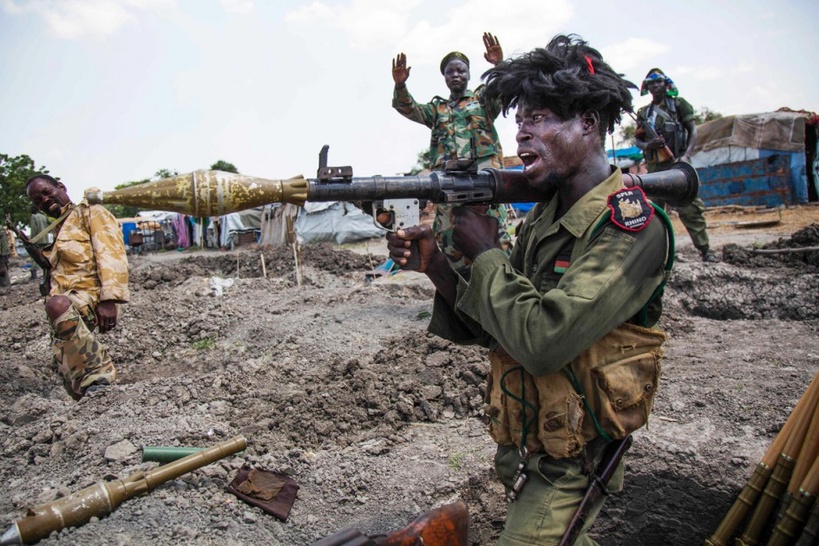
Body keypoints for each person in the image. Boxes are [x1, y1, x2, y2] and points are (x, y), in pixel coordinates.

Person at [386, 34, 672, 545]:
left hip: (575, 456)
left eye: (538, 118)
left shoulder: (630, 226)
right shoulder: (544, 218)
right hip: (527, 437)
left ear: (588, 123)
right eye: (519, 121)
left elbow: (542, 341)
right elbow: (497, 328)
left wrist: (487, 251)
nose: (521, 133)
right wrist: (437, 267)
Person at [392, 32, 512, 276]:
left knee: (495, 238)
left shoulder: (483, 101)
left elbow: (506, 90)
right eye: (450, 72)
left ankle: (503, 286)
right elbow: (408, 108)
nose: (456, 75)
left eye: (461, 70)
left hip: (485, 186)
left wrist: (500, 65)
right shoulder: (437, 109)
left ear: (468, 75)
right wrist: (400, 84)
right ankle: (459, 290)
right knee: (450, 242)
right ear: (445, 77)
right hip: (449, 189)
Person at [8, 174, 129, 400]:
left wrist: (110, 300)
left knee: (57, 306)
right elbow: (57, 264)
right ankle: (87, 395)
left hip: (88, 296)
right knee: (67, 361)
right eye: (37, 200)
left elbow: (112, 254)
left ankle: (100, 377)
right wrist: (31, 247)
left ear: (61, 187)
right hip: (66, 300)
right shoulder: (61, 226)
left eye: (46, 192)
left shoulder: (91, 213)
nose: (44, 200)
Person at [635, 68, 718, 262]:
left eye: (659, 82)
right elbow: (638, 140)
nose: (655, 86)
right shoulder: (644, 113)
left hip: (677, 164)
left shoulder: (679, 105)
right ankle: (656, 256)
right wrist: (648, 145)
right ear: (647, 87)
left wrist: (686, 156)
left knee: (690, 209)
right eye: (651, 83)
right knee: (653, 212)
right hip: (655, 169)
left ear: (666, 84)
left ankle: (705, 250)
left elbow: (692, 131)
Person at [28, 203, 50, 279]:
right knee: (46, 257)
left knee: (35, 257)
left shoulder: (33, 217)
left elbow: (33, 229)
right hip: (46, 240)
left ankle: (34, 274)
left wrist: (31, 240)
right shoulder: (44, 216)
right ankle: (46, 273)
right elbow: (51, 224)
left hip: (37, 240)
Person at [0, 221, 10, 287]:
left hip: (1, 259)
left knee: (5, 283)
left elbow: (5, 249)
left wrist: (2, 266)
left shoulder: (2, 233)